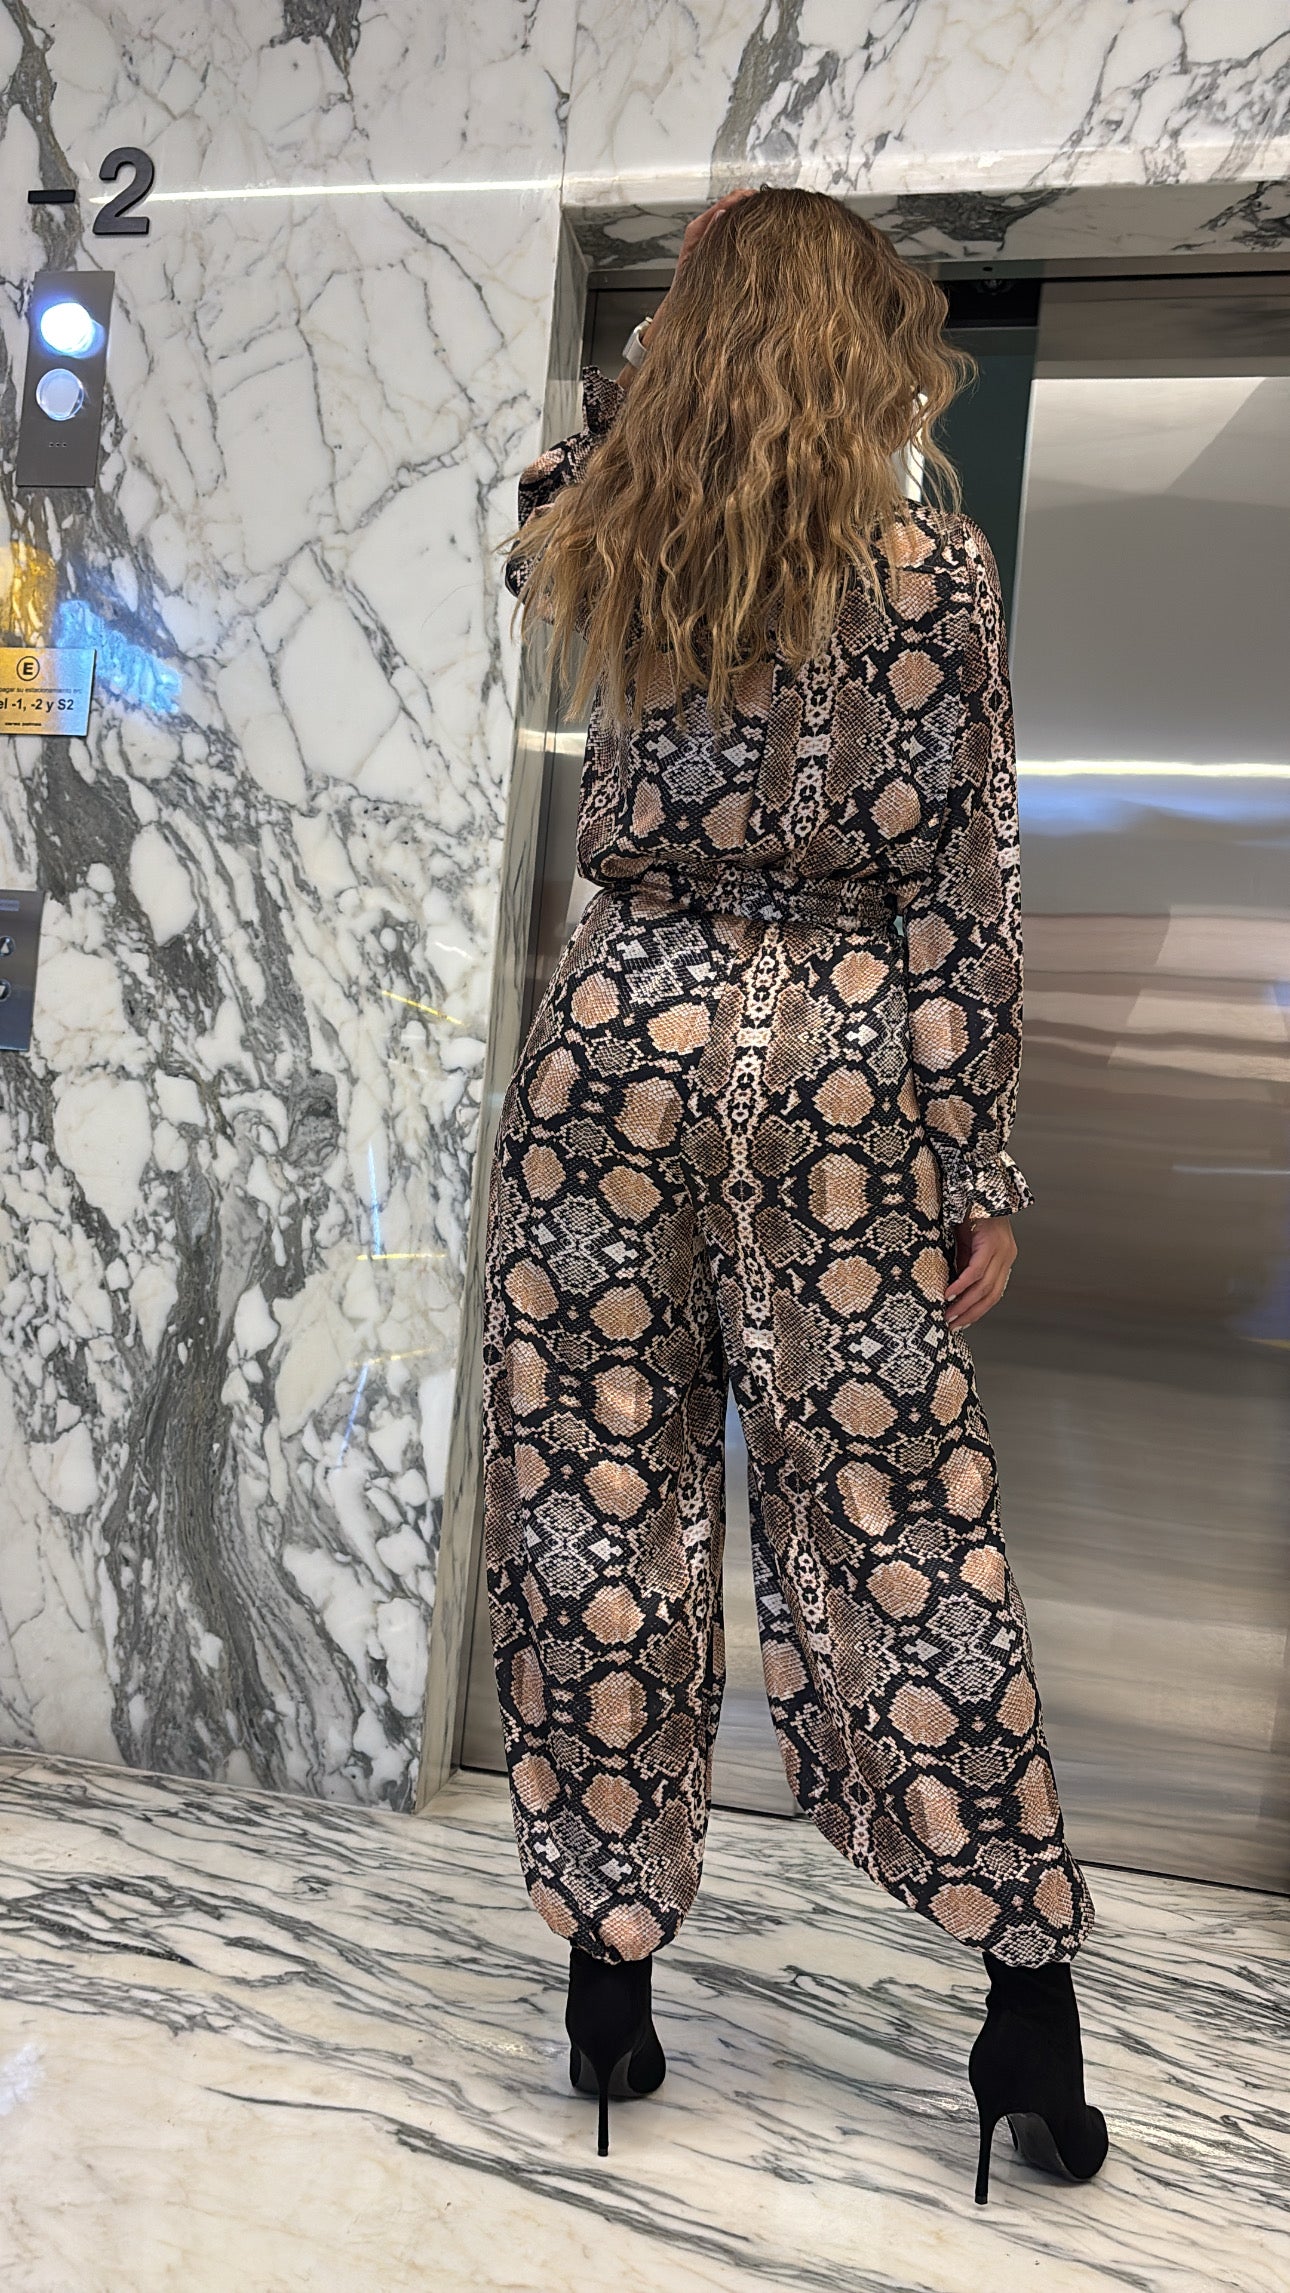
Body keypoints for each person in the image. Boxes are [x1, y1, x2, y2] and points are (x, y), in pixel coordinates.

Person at [481, 186, 1107, 2203]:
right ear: (870, 345)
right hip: (843, 1077)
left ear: (695, 340)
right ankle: (1024, 1995)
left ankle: (608, 1974)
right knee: (900, 1520)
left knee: (594, 1495)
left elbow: (542, 491)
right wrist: (973, 1154)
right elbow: (966, 885)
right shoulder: (941, 569)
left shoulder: (611, 527)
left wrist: (647, 373)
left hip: (616, 1060)